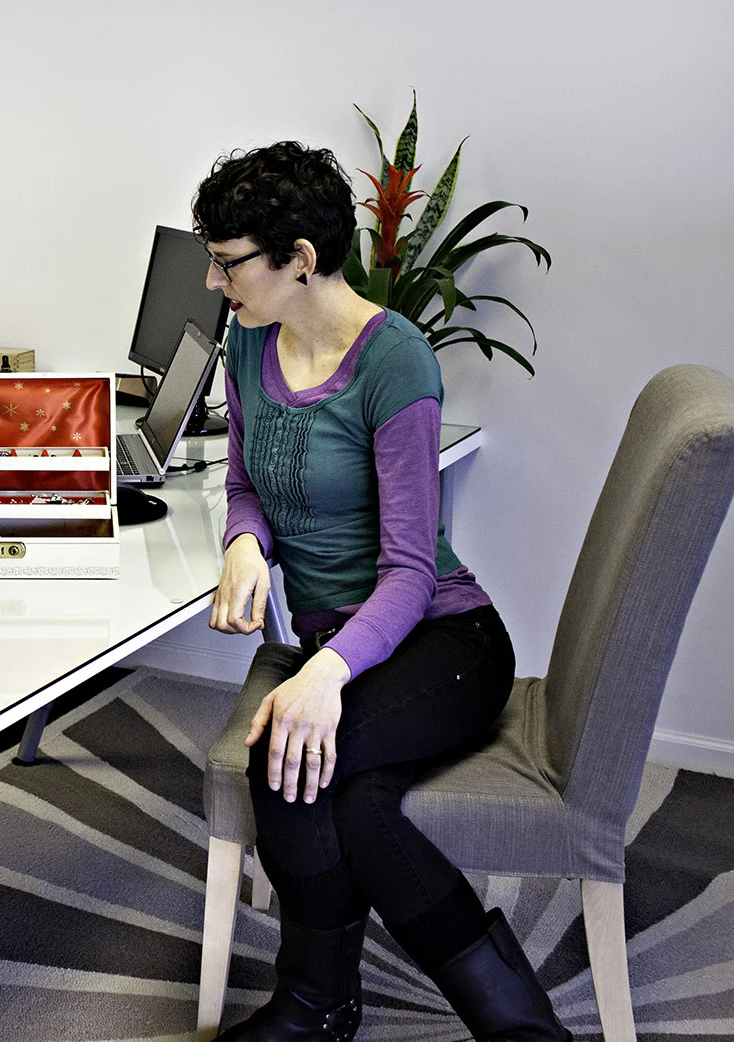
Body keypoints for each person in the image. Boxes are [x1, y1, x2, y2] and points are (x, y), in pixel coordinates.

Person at [198, 143, 569, 1042]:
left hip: (443, 642)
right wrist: (245, 544)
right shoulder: (249, 347)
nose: (212, 282)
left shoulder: (395, 362)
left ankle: (326, 1006)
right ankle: (325, 1005)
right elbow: (245, 485)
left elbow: (410, 571)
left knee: (290, 759)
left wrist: (324, 673)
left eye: (228, 261)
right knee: (337, 790)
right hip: (345, 646)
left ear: (301, 259)